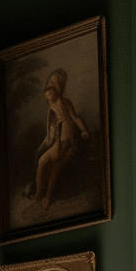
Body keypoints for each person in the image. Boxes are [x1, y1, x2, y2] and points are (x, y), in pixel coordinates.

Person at [28, 69, 89, 213]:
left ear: (60, 88)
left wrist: (84, 130)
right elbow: (51, 126)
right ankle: (38, 195)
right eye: (49, 82)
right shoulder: (51, 106)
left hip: (68, 143)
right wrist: (48, 139)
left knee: (55, 165)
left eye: (54, 83)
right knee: (41, 162)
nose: (51, 85)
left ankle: (47, 198)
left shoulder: (64, 102)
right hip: (57, 142)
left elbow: (75, 118)